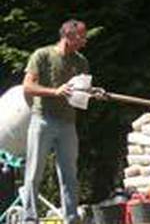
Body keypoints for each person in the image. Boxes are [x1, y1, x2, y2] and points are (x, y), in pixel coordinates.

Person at [21, 20, 89, 224]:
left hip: (68, 123)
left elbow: (81, 92)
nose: (84, 41)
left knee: (70, 175)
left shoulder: (81, 61)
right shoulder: (42, 55)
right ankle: (30, 219)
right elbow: (28, 86)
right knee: (34, 173)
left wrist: (92, 93)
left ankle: (71, 218)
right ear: (68, 36)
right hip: (42, 120)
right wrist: (55, 91)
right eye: (81, 37)